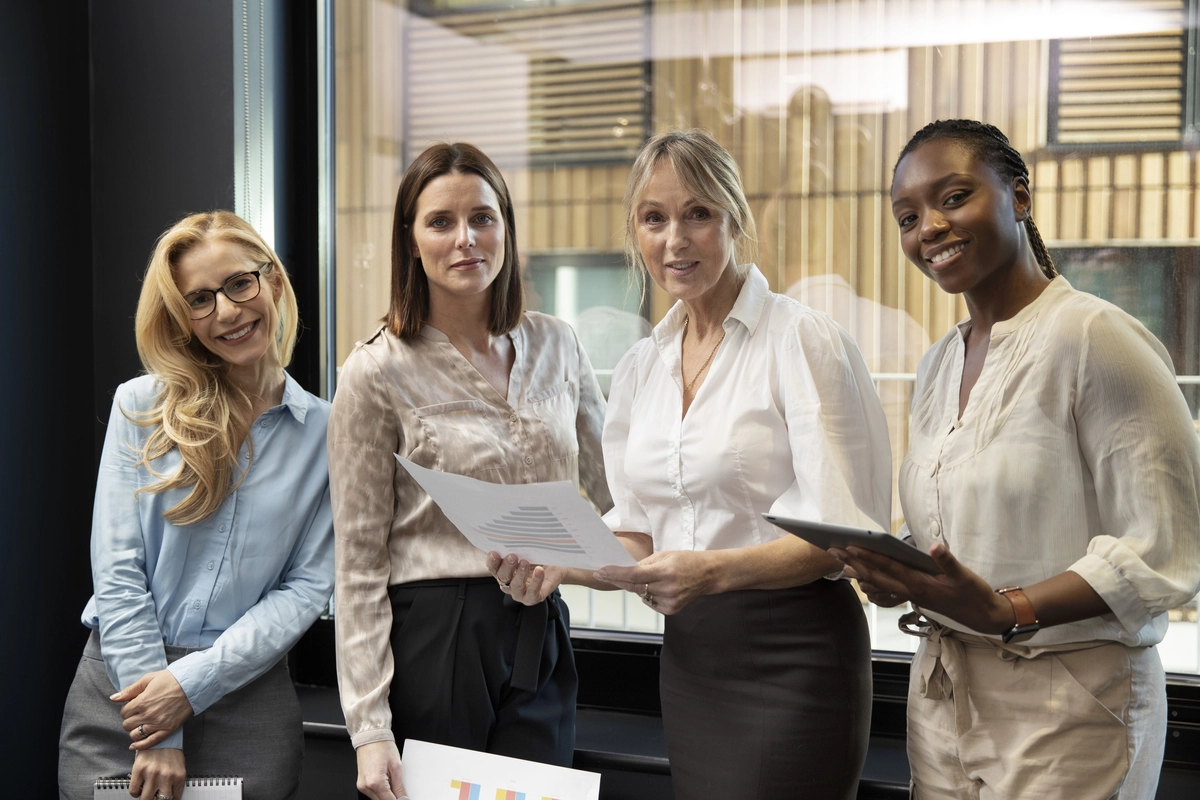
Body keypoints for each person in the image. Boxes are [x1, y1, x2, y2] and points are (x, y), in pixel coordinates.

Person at [492, 128, 892, 799]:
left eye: (697, 213)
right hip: (691, 663)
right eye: (655, 218)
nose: (675, 239)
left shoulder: (802, 340)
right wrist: (562, 562)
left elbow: (847, 540)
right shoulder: (643, 366)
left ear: (734, 220)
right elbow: (643, 534)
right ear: (637, 234)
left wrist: (711, 572)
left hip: (795, 657)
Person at [834, 119, 1200, 799]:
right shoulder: (940, 362)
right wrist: (903, 569)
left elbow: (1163, 550)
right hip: (943, 698)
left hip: (1071, 707)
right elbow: (968, 524)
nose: (930, 228)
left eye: (953, 197)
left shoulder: (1095, 338)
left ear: (1020, 198)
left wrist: (1008, 608)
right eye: (908, 217)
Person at [328, 142, 612, 800]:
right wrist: (369, 729)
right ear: (411, 240)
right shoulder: (374, 369)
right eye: (441, 222)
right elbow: (359, 562)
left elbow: (616, 499)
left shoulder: (557, 343)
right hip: (437, 638)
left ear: (506, 228)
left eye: (483, 218)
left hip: (542, 625)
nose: (466, 239)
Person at [58, 212, 335, 800]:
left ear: (274, 282)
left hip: (248, 697)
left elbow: (308, 587)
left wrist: (190, 685)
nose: (228, 312)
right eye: (200, 300)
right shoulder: (139, 407)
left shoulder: (329, 433)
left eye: (240, 284)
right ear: (182, 318)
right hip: (123, 699)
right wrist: (157, 731)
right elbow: (117, 569)